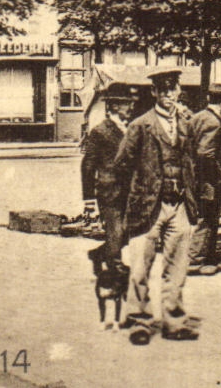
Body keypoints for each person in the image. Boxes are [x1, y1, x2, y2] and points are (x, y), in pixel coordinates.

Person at [112, 67, 202, 341]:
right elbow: (121, 165)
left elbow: (193, 162)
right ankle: (139, 321)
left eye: (171, 88)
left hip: (180, 206)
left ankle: (174, 322)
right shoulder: (141, 125)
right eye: (161, 89)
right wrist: (139, 192)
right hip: (148, 207)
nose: (167, 94)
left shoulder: (187, 124)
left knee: (176, 268)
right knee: (141, 266)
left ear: (178, 91)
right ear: (154, 93)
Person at [82, 92, 135, 259]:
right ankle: (115, 272)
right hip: (109, 192)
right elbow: (88, 165)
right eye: (127, 104)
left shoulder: (130, 129)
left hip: (128, 191)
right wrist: (89, 197)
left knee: (126, 233)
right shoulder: (99, 131)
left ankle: (99, 255)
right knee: (116, 233)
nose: (131, 107)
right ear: (115, 106)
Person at [189, 83, 221, 269]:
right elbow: (206, 154)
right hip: (208, 178)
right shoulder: (215, 122)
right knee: (207, 218)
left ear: (208, 99)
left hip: (195, 175)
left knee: (210, 217)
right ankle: (194, 259)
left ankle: (210, 258)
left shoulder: (197, 117)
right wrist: (220, 177)